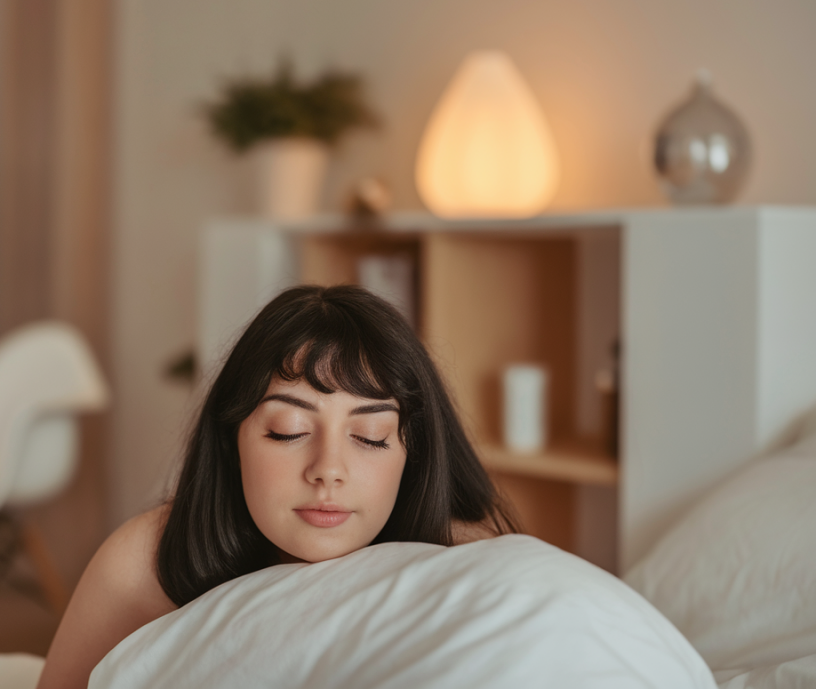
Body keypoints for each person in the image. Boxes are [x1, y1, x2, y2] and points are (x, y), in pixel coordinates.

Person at [36, 285, 517, 689]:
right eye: (289, 430)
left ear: (413, 455)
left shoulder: (467, 562)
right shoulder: (145, 561)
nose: (328, 470)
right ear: (233, 439)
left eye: (370, 438)